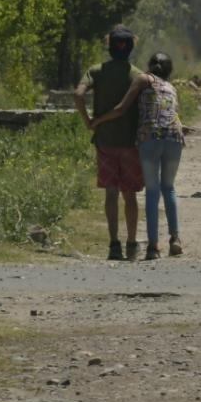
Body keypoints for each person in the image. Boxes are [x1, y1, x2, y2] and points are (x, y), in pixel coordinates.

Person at [92, 52, 185, 260]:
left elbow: (121, 108)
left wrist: (98, 121)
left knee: (152, 191)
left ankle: (153, 247)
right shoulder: (171, 87)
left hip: (150, 137)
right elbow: (169, 114)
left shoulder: (143, 79)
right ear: (169, 70)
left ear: (150, 66)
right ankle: (175, 239)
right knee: (168, 188)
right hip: (174, 137)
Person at [75, 25, 144, 260]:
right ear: (131, 46)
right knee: (130, 195)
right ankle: (132, 244)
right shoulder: (137, 75)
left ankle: (114, 244)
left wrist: (89, 121)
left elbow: (78, 94)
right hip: (130, 142)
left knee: (111, 193)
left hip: (105, 141)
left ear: (109, 45)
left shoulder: (96, 71)